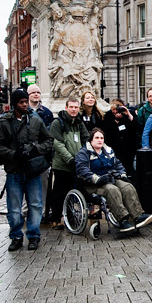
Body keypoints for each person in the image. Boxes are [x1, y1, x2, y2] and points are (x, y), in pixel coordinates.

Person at [0, 89, 54, 252]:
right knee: (14, 207)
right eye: (21, 102)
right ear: (14, 104)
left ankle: (33, 235)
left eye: (26, 101)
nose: (25, 104)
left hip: (32, 170)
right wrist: (13, 154)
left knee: (35, 204)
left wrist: (35, 150)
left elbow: (48, 140)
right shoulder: (5, 122)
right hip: (14, 170)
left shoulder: (35, 119)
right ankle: (16, 236)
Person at [75, 128, 152, 232]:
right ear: (91, 140)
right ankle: (122, 220)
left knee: (127, 187)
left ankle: (138, 216)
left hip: (109, 179)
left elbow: (118, 164)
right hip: (93, 184)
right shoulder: (84, 153)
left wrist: (122, 175)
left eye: (101, 138)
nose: (100, 140)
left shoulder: (108, 151)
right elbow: (82, 169)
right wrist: (97, 178)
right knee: (112, 190)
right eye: (97, 138)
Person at [49, 95, 90, 230]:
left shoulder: (79, 123)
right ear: (66, 107)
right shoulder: (58, 123)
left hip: (76, 164)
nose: (73, 110)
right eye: (71, 107)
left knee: (72, 191)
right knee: (59, 193)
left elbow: (86, 140)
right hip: (62, 165)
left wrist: (83, 158)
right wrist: (69, 158)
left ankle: (71, 218)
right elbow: (56, 143)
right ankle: (55, 218)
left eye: (76, 107)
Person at [27, 84, 55, 222]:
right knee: (25, 184)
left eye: (38, 92)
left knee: (44, 185)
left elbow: (49, 135)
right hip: (26, 155)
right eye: (33, 92)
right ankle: (26, 211)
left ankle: (44, 211)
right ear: (28, 95)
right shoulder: (22, 110)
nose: (36, 94)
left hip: (42, 155)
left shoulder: (47, 112)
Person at [102, 99, 139, 179]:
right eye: (114, 110)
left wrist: (128, 114)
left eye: (117, 109)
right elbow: (106, 132)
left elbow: (136, 127)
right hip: (114, 150)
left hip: (128, 150)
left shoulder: (127, 116)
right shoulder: (108, 117)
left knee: (129, 172)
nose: (116, 112)